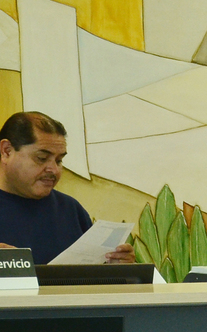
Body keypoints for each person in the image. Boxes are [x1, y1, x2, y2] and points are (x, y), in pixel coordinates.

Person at [0, 111, 134, 265]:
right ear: (6, 151)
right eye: (41, 158)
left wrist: (116, 267)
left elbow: (92, 274)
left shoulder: (71, 210)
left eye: (59, 161)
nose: (54, 170)